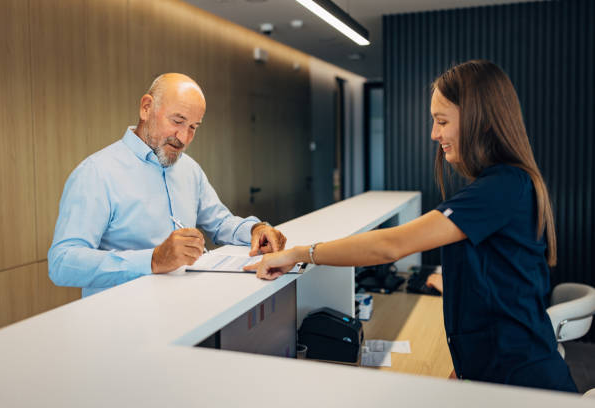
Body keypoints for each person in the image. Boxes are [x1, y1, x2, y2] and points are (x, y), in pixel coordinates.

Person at [244, 60, 577, 392]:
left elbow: (390, 246)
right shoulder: (507, 184)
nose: (434, 134)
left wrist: (300, 254)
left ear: (482, 121)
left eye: (442, 121)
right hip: (500, 372)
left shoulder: (500, 188)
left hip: (522, 383)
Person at [49, 73, 286, 297]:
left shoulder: (189, 169)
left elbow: (219, 221)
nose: (183, 138)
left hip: (184, 306)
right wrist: (153, 260)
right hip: (120, 319)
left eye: (193, 127)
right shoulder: (96, 173)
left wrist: (256, 230)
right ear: (146, 108)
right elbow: (62, 262)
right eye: (178, 121)